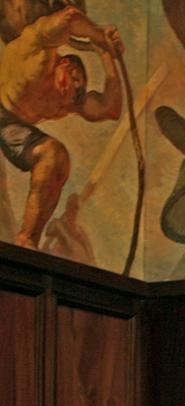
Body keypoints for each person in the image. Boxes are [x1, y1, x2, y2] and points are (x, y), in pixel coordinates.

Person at [0, 5, 122, 248]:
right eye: (75, 79)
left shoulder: (67, 102)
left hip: (11, 128)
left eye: (78, 93)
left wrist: (107, 56)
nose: (73, 92)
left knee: (56, 156)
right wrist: (99, 34)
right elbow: (70, 18)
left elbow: (109, 108)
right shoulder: (37, 48)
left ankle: (28, 241)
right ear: (65, 64)